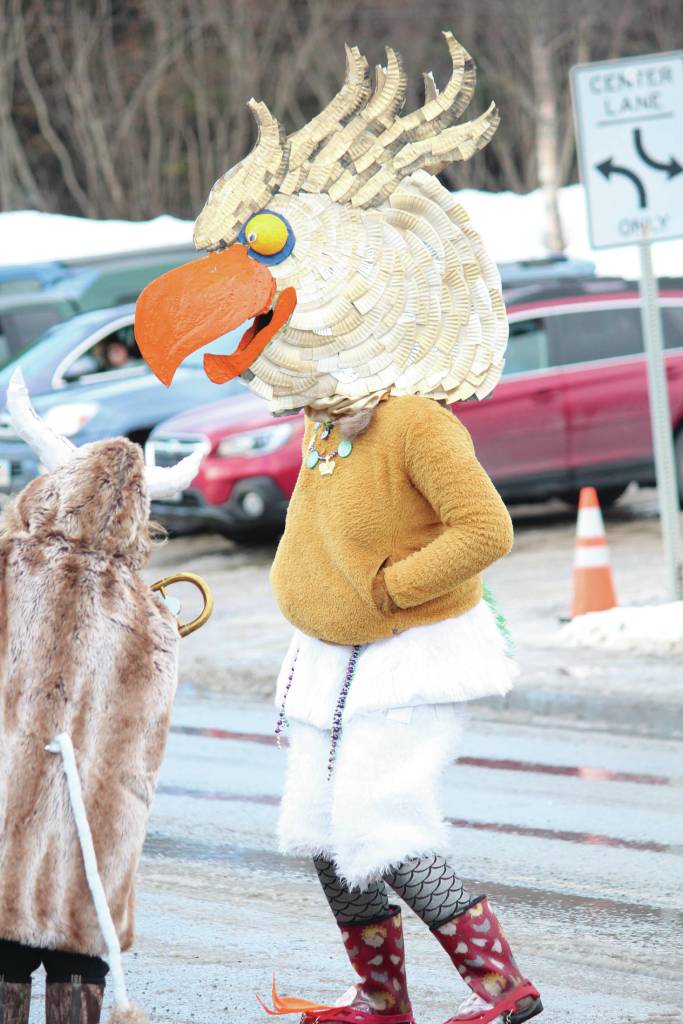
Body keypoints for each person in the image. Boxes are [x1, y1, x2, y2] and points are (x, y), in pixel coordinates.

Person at [135, 30, 543, 1024]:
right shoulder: (328, 418)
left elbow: (483, 530)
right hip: (333, 657)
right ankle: (379, 996)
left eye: (262, 247)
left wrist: (393, 590)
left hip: (410, 651)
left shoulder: (414, 421)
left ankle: (506, 989)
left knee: (379, 826)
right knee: (323, 830)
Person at [0, 372, 203, 1024]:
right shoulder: (153, 616)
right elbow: (147, 748)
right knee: (78, 966)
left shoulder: (7, 565)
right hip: (94, 840)